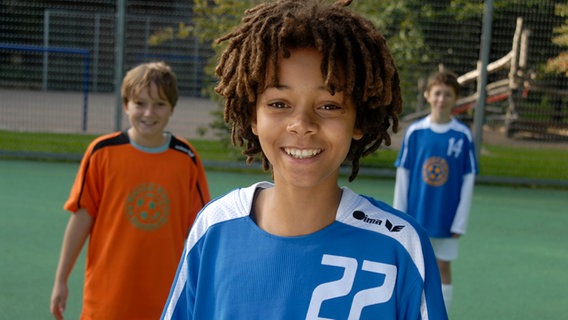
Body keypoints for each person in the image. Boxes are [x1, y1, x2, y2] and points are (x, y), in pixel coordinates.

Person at [161, 1, 447, 319]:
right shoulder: (214, 229)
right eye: (279, 103)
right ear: (252, 116)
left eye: (328, 105)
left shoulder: (400, 245)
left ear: (359, 120)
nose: (302, 124)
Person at [50, 61, 211, 320]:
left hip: (166, 298)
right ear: (126, 105)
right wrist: (61, 279)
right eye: (140, 103)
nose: (149, 113)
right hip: (107, 298)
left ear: (172, 109)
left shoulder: (186, 158)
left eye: (159, 104)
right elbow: (81, 218)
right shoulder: (102, 152)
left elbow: (201, 230)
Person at [393, 70, 478, 312]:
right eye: (438, 93)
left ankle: (442, 313)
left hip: (446, 217)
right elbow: (404, 175)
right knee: (410, 266)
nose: (442, 99)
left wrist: (459, 222)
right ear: (428, 95)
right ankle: (406, 312)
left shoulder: (462, 135)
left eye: (448, 95)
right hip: (415, 215)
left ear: (455, 99)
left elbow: (468, 179)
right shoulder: (415, 132)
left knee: (442, 266)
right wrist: (399, 216)